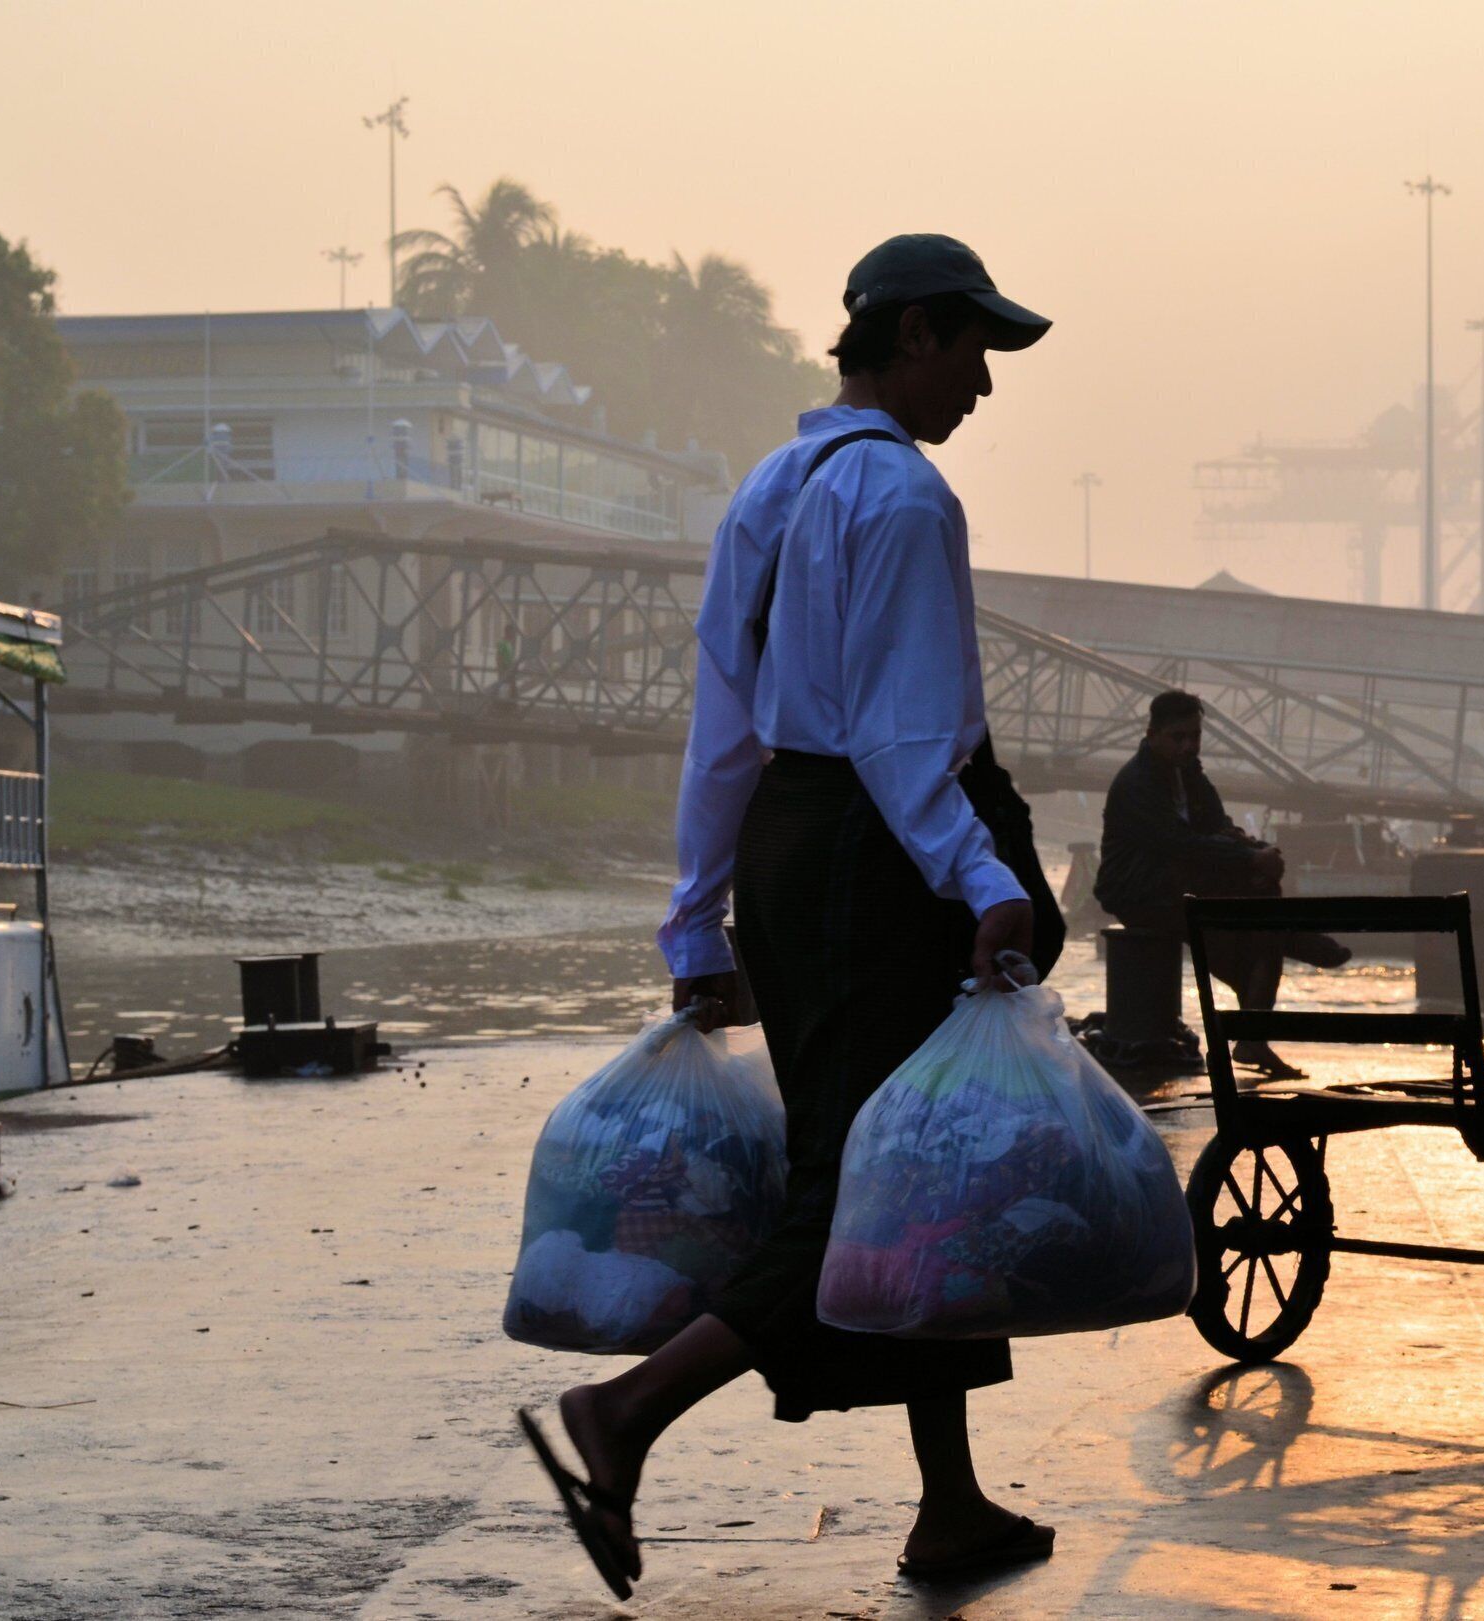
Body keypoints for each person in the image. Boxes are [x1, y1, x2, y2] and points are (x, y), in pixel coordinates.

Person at [517, 233, 1064, 1600]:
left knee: (911, 1172)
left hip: (789, 844)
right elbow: (901, 739)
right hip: (880, 859)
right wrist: (985, 881)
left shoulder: (773, 485)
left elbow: (723, 729)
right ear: (922, 334)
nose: (984, 391)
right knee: (866, 1188)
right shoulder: (905, 500)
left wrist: (699, 916)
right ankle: (625, 1413)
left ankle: (950, 1502)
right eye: (977, 355)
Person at [1092, 689, 1350, 1078]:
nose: (1188, 746)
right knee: (1264, 929)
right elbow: (1177, 844)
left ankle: (1255, 1033)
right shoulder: (1137, 783)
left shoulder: (1190, 776)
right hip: (1139, 891)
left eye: (1194, 736)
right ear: (1153, 734)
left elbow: (1216, 827)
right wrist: (1248, 858)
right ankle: (1291, 949)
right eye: (1178, 737)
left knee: (1261, 934)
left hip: (1179, 885)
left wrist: (1254, 849)